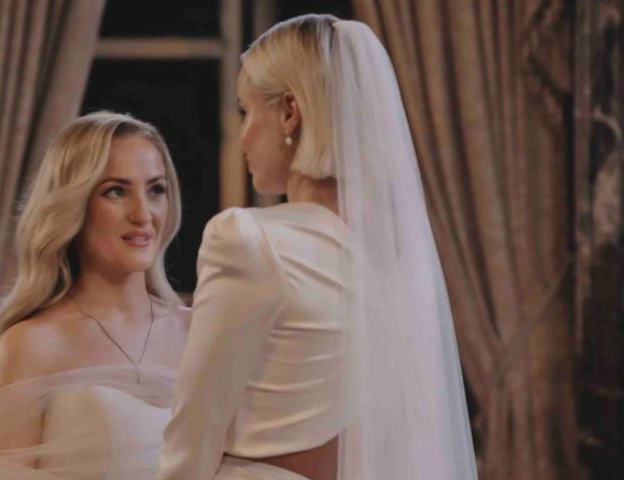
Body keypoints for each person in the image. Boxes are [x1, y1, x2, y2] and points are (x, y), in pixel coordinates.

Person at [156, 14, 477, 480]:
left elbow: (194, 430)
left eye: (247, 111)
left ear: (290, 111)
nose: (242, 136)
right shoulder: (401, 261)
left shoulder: (248, 241)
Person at [0, 111, 190, 479]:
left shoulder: (201, 333)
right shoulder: (32, 346)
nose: (143, 213)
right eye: (116, 191)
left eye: (156, 190)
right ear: (74, 204)